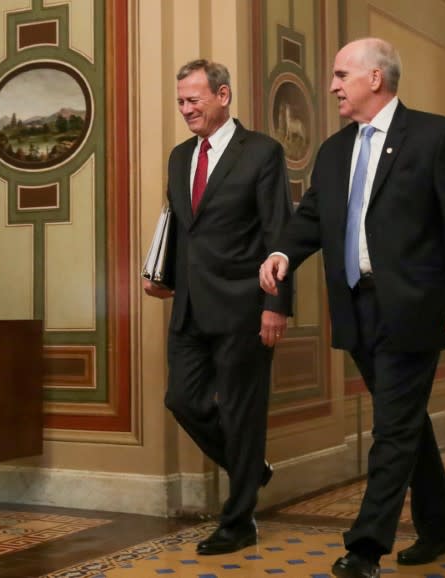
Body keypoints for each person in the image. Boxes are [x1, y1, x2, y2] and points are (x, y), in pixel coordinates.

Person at [259, 38, 445, 578]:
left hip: (412, 306)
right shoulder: (336, 150)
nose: (333, 85)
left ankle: (365, 547)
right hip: (356, 307)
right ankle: (442, 529)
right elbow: (311, 217)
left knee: (391, 428)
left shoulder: (434, 135)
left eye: (341, 74)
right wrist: (281, 252)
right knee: (406, 423)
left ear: (375, 79)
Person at [143, 59, 292, 556]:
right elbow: (181, 228)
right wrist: (161, 276)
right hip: (188, 306)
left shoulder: (263, 153)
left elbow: (278, 234)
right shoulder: (179, 156)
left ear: (223, 96)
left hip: (245, 307)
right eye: (180, 101)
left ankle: (239, 521)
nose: (185, 109)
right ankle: (253, 469)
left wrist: (276, 306)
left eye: (194, 100)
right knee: (182, 399)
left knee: (244, 415)